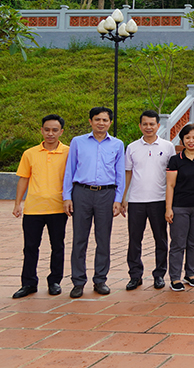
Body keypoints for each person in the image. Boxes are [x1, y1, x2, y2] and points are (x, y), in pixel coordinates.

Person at [62, 106, 126, 298]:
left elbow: (120, 173)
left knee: (103, 239)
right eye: (97, 119)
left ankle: (100, 280)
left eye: (105, 120)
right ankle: (78, 281)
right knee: (79, 239)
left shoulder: (117, 144)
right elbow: (69, 169)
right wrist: (67, 196)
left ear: (110, 123)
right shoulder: (78, 142)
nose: (101, 123)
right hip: (81, 192)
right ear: (90, 121)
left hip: (106, 194)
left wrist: (118, 199)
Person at [12, 114, 70, 298]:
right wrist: (17, 204)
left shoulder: (69, 152)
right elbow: (24, 178)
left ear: (61, 131)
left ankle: (54, 281)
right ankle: (29, 283)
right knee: (30, 247)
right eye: (47, 130)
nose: (50, 134)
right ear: (41, 130)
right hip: (33, 208)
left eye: (54, 130)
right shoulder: (30, 153)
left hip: (58, 208)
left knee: (57, 246)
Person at [122, 110, 175, 291]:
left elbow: (171, 177)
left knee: (160, 239)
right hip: (136, 200)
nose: (148, 127)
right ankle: (135, 275)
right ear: (140, 126)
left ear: (158, 126)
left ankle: (159, 274)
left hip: (159, 200)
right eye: (145, 124)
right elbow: (127, 173)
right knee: (134, 239)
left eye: (152, 124)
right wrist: (124, 198)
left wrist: (170, 202)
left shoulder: (168, 147)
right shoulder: (132, 147)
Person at [165, 123, 194, 291]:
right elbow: (170, 185)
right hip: (180, 207)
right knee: (178, 243)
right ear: (182, 140)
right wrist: (168, 208)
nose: (191, 141)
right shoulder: (176, 160)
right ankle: (175, 278)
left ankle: (190, 274)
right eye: (187, 138)